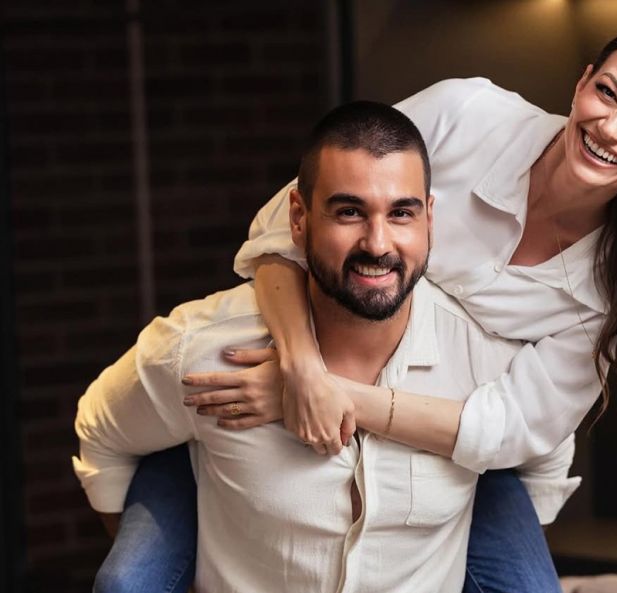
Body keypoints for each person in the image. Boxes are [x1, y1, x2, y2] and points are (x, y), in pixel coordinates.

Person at [96, 21, 617, 593]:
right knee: (129, 579)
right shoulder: (465, 114)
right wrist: (302, 368)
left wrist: (332, 396)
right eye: (607, 92)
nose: (611, 126)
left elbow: (510, 426)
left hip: (469, 455)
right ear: (581, 83)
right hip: (300, 368)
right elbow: (284, 227)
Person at [75, 100, 573, 593]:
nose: (377, 244)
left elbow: (545, 448)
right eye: (349, 212)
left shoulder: (482, 353)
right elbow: (103, 433)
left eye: (401, 213)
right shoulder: (204, 348)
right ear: (298, 217)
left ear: (430, 220)